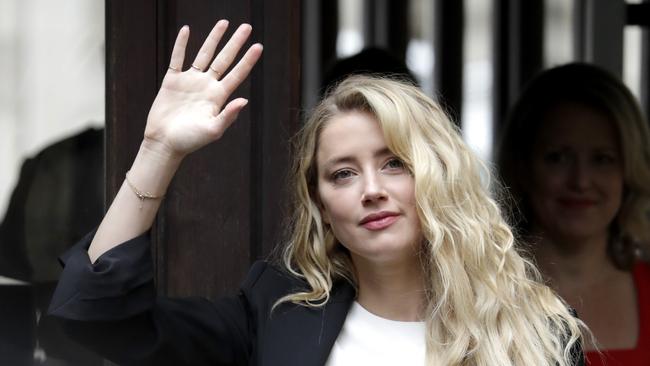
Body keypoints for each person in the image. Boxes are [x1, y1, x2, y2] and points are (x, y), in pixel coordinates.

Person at [48, 20, 585, 365]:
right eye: (343, 174)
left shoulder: (538, 335)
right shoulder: (274, 315)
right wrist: (158, 150)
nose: (371, 190)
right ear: (323, 208)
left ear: (438, 176)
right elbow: (95, 318)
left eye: (395, 163)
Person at [496, 63, 650, 365]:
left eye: (602, 159)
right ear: (522, 166)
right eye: (557, 158)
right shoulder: (480, 293)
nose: (580, 181)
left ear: (628, 172)